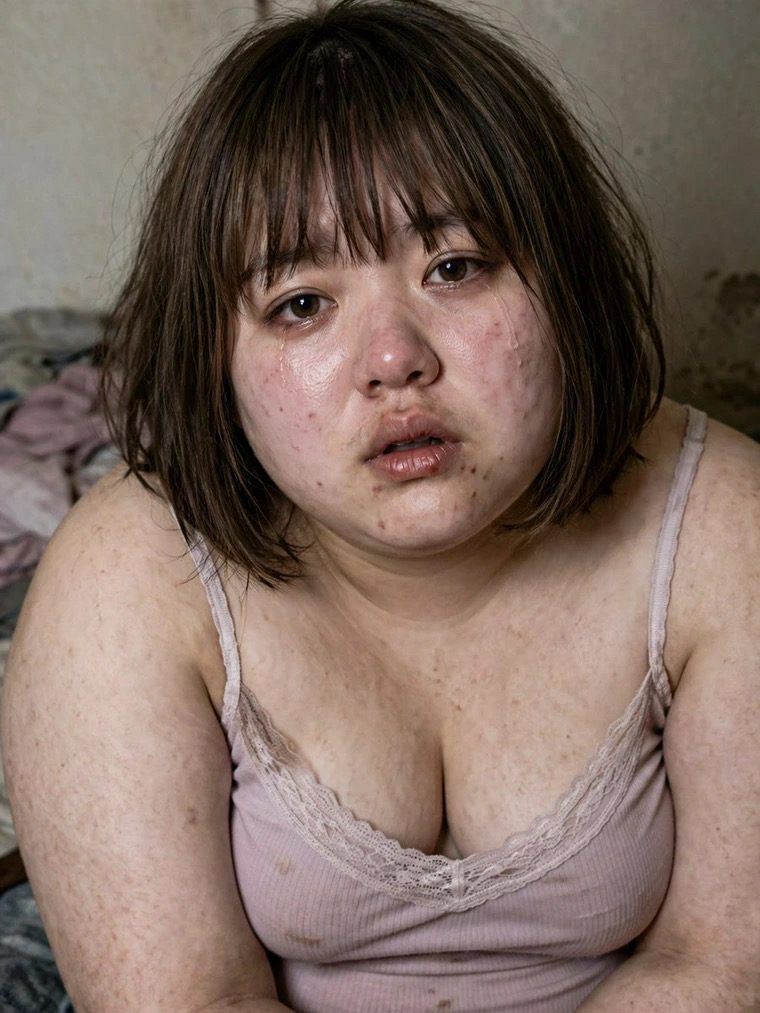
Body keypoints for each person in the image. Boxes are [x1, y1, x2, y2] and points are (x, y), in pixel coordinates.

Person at [2, 0, 758, 1009]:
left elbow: (723, 965)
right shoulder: (122, 580)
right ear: (216, 359)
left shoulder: (724, 526)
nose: (395, 359)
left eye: (455, 266)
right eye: (301, 303)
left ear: (566, 283)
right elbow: (188, 997)